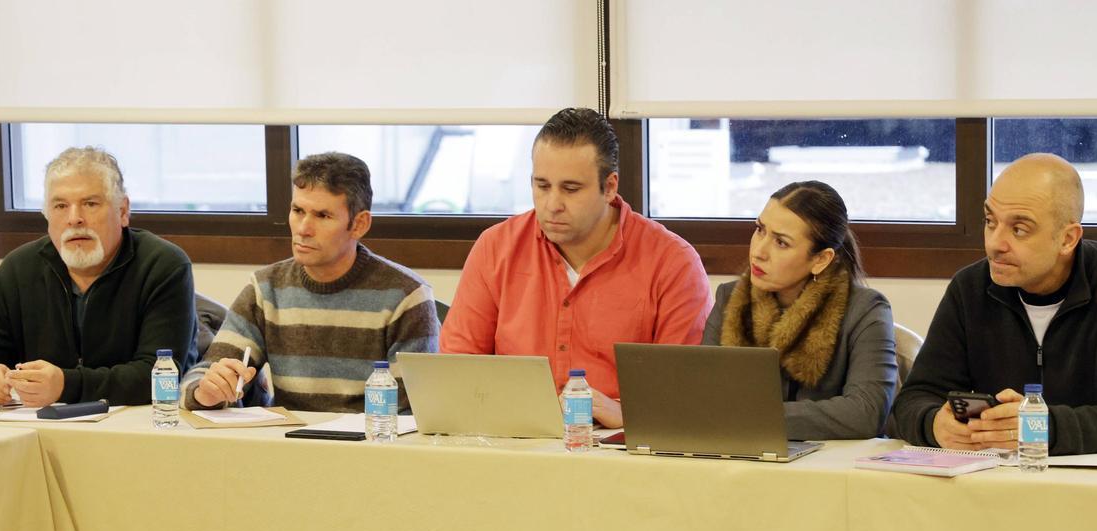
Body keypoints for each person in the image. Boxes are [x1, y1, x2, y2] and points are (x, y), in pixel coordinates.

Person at [441, 107, 712, 427]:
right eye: (542, 186)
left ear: (610, 187)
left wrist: (628, 415)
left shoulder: (672, 263)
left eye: (570, 189)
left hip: (623, 450)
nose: (552, 204)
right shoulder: (496, 247)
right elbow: (456, 372)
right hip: (515, 440)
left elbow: (684, 395)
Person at [893, 153, 1097, 454]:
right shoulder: (969, 289)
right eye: (989, 221)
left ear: (1067, 239)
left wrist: (1036, 428)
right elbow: (914, 398)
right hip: (995, 482)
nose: (995, 243)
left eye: (1019, 229)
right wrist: (934, 424)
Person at [181, 152, 438, 413]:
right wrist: (205, 391)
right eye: (297, 210)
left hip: (371, 447)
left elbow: (415, 412)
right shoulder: (266, 288)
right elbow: (198, 378)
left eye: (323, 216)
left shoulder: (406, 295)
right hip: (287, 445)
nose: (303, 228)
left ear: (359, 224)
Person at [0, 146, 198, 406]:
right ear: (47, 216)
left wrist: (65, 385)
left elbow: (159, 374)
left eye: (90, 203)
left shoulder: (163, 266)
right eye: (61, 206)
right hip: (37, 429)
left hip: (141, 430)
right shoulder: (18, 269)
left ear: (122, 211)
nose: (74, 219)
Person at [702, 181, 896, 440]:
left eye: (781, 243)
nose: (759, 252)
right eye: (760, 230)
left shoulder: (865, 310)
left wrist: (750, 417)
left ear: (821, 260)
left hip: (833, 470)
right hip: (745, 457)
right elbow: (702, 399)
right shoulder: (730, 298)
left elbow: (866, 413)